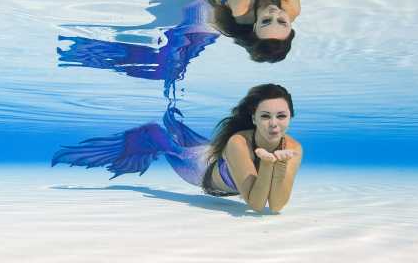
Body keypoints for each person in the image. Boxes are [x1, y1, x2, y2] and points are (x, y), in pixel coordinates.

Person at [52, 84, 303, 213]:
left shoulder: (293, 148)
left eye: (281, 116)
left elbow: (277, 205)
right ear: (254, 118)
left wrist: (278, 164)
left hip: (212, 154)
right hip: (198, 168)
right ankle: (149, 136)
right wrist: (269, 163)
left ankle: (171, 128)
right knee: (166, 144)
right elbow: (258, 205)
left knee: (186, 136)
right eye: (266, 116)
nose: (274, 124)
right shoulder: (239, 143)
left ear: (291, 117)